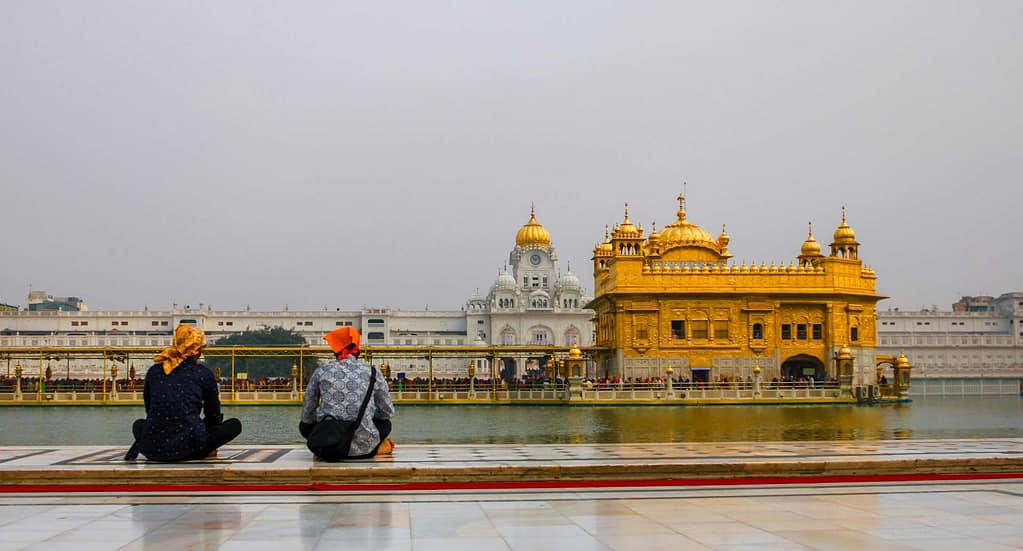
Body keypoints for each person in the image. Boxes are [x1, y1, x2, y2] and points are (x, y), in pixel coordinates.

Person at [125, 324, 241, 461]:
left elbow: (150, 410)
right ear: (197, 350)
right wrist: (207, 436)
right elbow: (213, 414)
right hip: (191, 448)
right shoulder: (202, 373)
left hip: (153, 448)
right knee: (234, 424)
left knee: (139, 424)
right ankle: (205, 448)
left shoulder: (154, 371)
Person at [300, 327, 395, 460]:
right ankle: (376, 447)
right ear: (357, 350)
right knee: (386, 424)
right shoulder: (373, 372)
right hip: (364, 444)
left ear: (337, 350)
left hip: (328, 441)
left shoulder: (322, 371)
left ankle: (328, 448)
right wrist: (368, 415)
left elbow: (307, 414)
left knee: (304, 426)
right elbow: (388, 412)